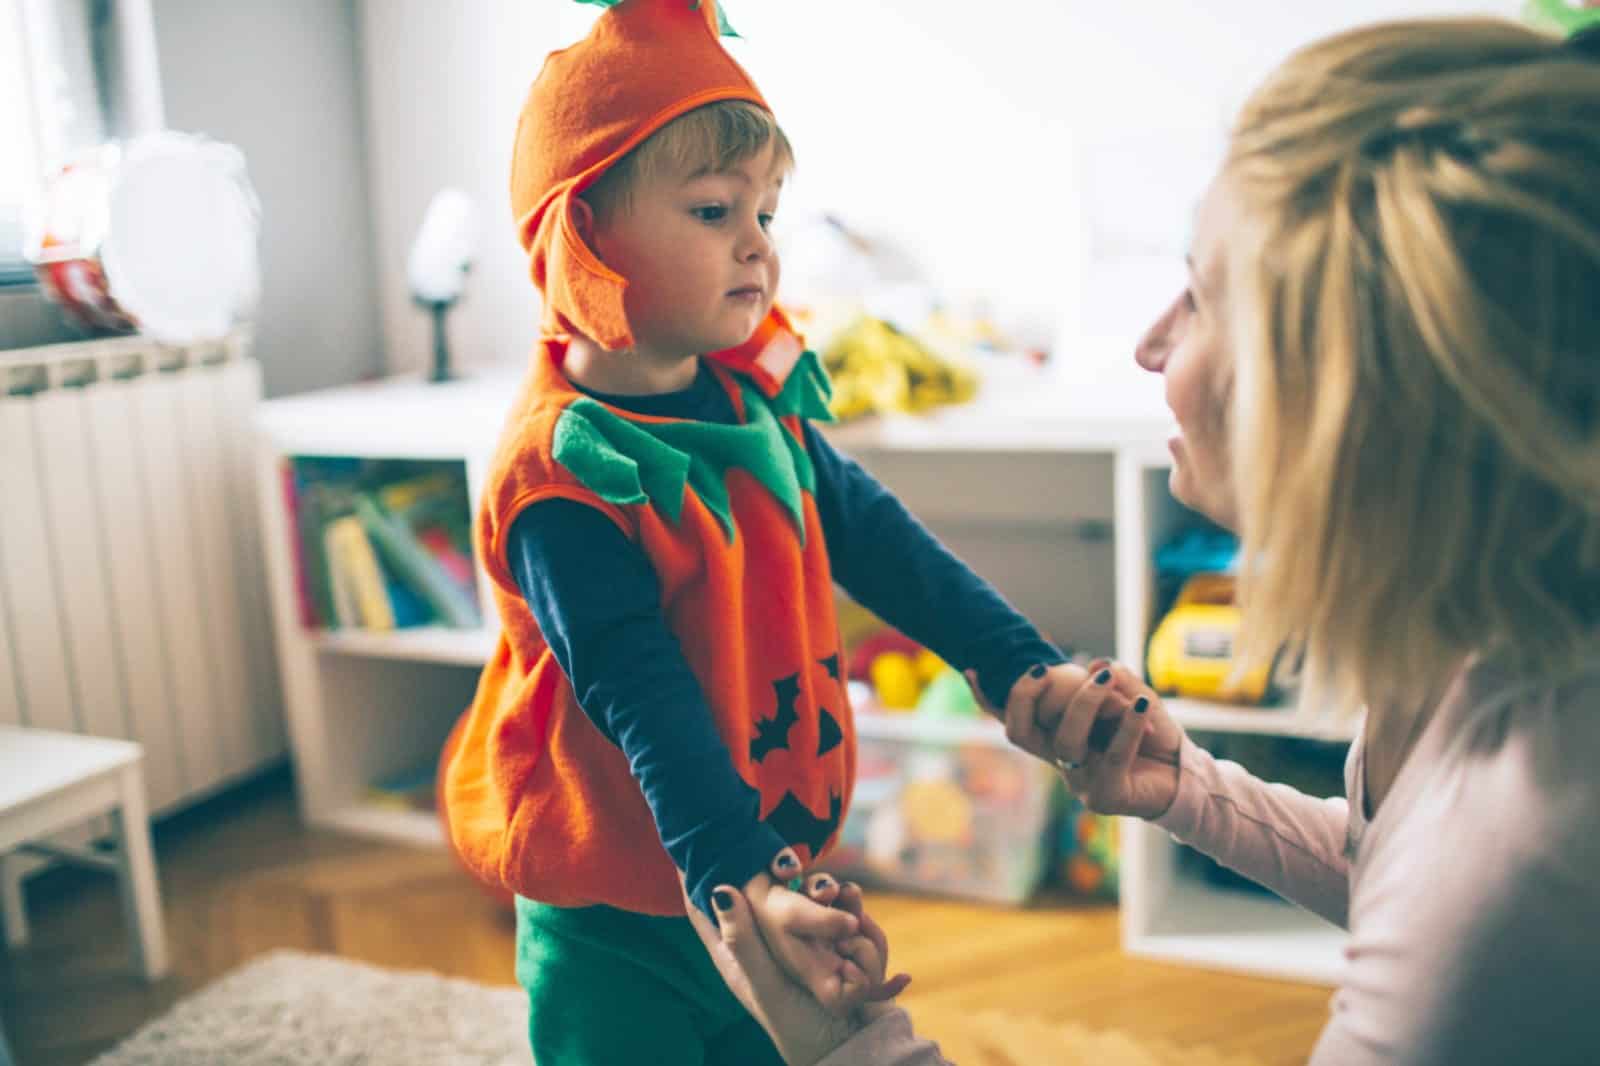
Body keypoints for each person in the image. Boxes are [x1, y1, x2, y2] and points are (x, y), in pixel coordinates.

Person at [687, 15, 1600, 1065]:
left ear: (1354, 389)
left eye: (1202, 297)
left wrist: (848, 1040)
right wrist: (1190, 791)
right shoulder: (1483, 657)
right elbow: (1394, 880)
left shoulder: (1520, 842)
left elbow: (1450, 905)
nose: (1150, 340)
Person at [437, 2, 1108, 1062]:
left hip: (762, 869)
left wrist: (1018, 662)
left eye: (767, 211)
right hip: (622, 911)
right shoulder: (564, 474)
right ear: (583, 238)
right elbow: (640, 696)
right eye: (713, 210)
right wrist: (740, 883)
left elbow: (888, 546)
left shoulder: (759, 401)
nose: (757, 243)